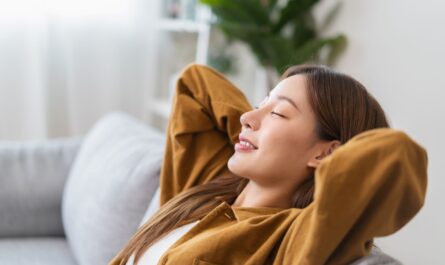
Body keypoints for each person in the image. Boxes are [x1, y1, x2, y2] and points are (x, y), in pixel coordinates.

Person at [110, 64, 427, 265]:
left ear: (326, 154)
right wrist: (259, 126)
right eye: (259, 105)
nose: (246, 118)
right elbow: (194, 84)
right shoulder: (209, 185)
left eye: (279, 113)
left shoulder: (294, 238)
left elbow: (396, 155)